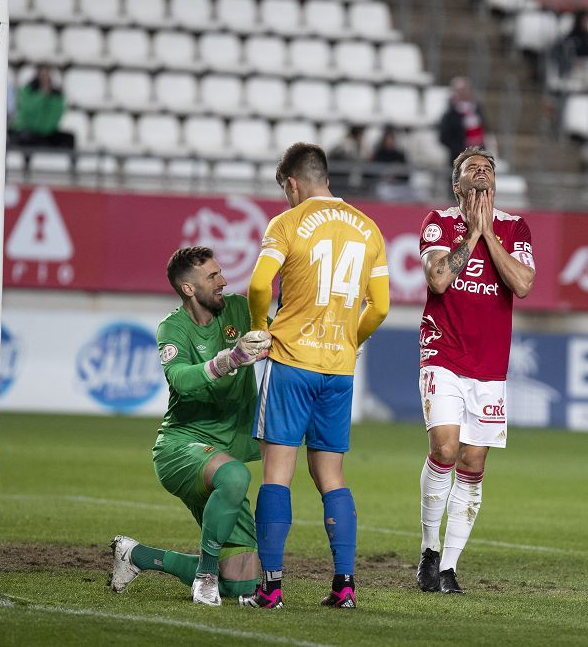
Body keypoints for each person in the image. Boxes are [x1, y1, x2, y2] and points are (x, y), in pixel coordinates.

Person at [242, 143, 390, 610]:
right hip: (338, 371)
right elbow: (381, 306)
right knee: (331, 474)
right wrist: (352, 340)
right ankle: (344, 585)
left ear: (291, 183)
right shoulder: (369, 228)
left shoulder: (285, 224)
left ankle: (271, 587)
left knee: (277, 473)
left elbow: (260, 284)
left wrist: (260, 329)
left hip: (290, 364)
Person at [109, 246, 272, 606]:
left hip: (223, 452)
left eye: (220, 273)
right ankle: (204, 574)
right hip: (180, 449)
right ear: (188, 289)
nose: (223, 281)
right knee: (235, 477)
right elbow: (180, 379)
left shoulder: (240, 310)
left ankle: (137, 556)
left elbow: (280, 338)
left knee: (243, 585)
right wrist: (228, 361)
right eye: (212, 277)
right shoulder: (173, 328)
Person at [414, 146, 535, 594]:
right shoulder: (439, 223)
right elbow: (439, 279)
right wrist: (471, 235)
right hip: (443, 352)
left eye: (489, 168)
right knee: (445, 449)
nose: (482, 173)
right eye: (472, 169)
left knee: (472, 461)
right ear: (457, 184)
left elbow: (522, 283)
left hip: (489, 365)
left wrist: (489, 234)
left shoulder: (514, 227)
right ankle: (429, 548)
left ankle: (448, 567)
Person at [7, 65, 75, 149]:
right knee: (23, 137)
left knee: (69, 138)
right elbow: (27, 111)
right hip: (28, 130)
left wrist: (48, 98)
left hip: (47, 133)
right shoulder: (28, 91)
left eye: (47, 76)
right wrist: (41, 96)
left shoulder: (57, 97)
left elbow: (54, 118)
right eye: (42, 76)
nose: (44, 79)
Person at [438, 77, 487, 165]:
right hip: (458, 158)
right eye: (460, 91)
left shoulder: (476, 109)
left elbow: (484, 129)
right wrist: (461, 148)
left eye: (465, 90)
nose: (463, 93)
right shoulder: (450, 114)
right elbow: (444, 137)